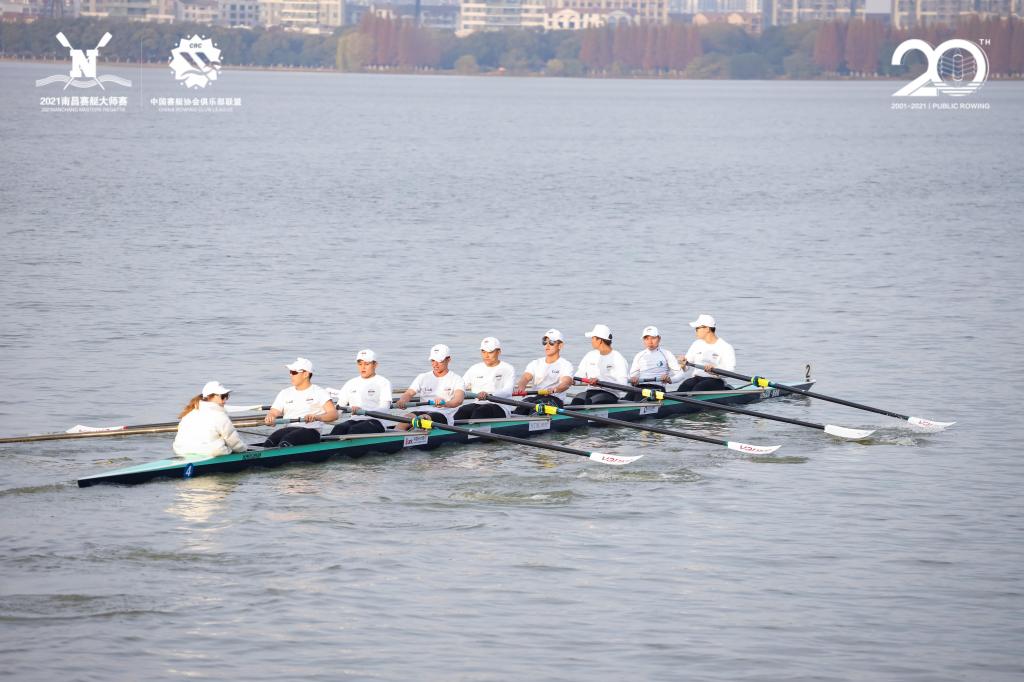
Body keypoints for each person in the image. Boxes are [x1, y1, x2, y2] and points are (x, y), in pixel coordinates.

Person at [262, 357, 338, 447]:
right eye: (290, 372)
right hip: (289, 429)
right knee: (269, 443)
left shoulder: (319, 392)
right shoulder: (285, 392)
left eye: (294, 372)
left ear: (306, 374)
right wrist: (270, 417)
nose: (291, 375)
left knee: (285, 442)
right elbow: (274, 411)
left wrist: (317, 417)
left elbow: (333, 414)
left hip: (310, 431)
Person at [394, 344, 465, 429]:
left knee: (422, 419)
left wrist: (445, 403)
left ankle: (415, 432)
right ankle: (396, 434)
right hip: (422, 411)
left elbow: (458, 400)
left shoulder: (457, 379)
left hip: (443, 414)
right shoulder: (423, 377)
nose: (435, 364)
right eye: (433, 360)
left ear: (448, 359)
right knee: (406, 419)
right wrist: (402, 400)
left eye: (439, 361)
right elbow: (409, 393)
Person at [173, 380, 247, 460]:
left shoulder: (189, 413)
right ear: (209, 397)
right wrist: (244, 450)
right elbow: (233, 441)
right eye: (222, 396)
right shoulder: (219, 415)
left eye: (227, 396)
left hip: (181, 451)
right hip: (209, 452)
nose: (225, 400)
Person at [330, 349, 393, 435]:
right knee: (338, 428)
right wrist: (323, 414)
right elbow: (339, 408)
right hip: (354, 420)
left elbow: (384, 409)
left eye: (366, 364)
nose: (363, 367)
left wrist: (362, 410)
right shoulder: (350, 383)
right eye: (360, 364)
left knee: (354, 430)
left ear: (375, 365)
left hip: (376, 421)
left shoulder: (383, 382)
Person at [512, 328, 574, 415]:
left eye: (551, 342)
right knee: (522, 406)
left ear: (560, 345)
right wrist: (521, 387)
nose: (547, 345)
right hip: (536, 397)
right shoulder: (535, 363)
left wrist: (555, 389)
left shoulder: (566, 365)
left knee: (538, 408)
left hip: (554, 399)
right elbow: (525, 377)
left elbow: (566, 383)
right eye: (545, 342)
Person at [455, 337, 515, 420]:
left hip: (500, 406)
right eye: (483, 351)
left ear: (499, 352)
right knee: (461, 411)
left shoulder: (508, 368)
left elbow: (508, 391)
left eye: (490, 352)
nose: (486, 355)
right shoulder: (474, 368)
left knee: (480, 412)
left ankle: (474, 427)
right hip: (478, 404)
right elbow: (460, 386)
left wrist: (490, 394)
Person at [675, 314, 736, 392]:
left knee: (699, 388)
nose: (696, 331)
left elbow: (730, 370)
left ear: (707, 329)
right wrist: (683, 364)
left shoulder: (725, 347)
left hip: (715, 380)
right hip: (697, 379)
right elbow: (686, 367)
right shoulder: (696, 344)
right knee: (684, 386)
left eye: (697, 328)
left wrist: (715, 370)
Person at [573, 324, 629, 405]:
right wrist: (572, 381)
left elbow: (623, 385)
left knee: (590, 402)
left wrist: (600, 382)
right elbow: (579, 375)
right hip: (590, 391)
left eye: (593, 338)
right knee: (576, 400)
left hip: (609, 394)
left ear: (599, 340)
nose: (591, 341)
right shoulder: (590, 355)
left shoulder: (618, 358)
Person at [629, 325, 686, 392]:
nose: (650, 342)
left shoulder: (667, 354)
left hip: (657, 388)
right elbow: (631, 376)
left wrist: (669, 379)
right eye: (647, 339)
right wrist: (633, 381)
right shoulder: (639, 355)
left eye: (653, 338)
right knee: (626, 397)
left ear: (659, 339)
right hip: (639, 388)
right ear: (643, 340)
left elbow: (681, 375)